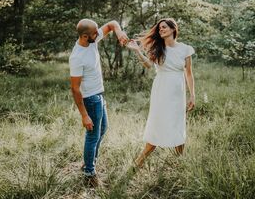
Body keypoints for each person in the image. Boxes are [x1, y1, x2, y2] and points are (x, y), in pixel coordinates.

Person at [126, 18, 195, 167]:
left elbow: (189, 74)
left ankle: (179, 160)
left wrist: (192, 95)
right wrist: (137, 51)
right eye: (159, 28)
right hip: (161, 89)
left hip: (178, 92)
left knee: (178, 123)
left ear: (173, 29)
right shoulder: (158, 48)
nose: (161, 30)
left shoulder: (185, 49)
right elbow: (149, 65)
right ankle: (140, 161)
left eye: (164, 27)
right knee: (158, 122)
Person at [69, 19, 128, 187]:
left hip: (99, 96)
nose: (99, 34)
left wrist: (119, 32)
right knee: (93, 135)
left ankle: (89, 162)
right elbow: (75, 89)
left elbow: (111, 24)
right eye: (96, 33)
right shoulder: (77, 57)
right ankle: (89, 173)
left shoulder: (91, 41)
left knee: (103, 129)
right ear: (85, 36)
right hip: (90, 99)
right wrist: (84, 115)